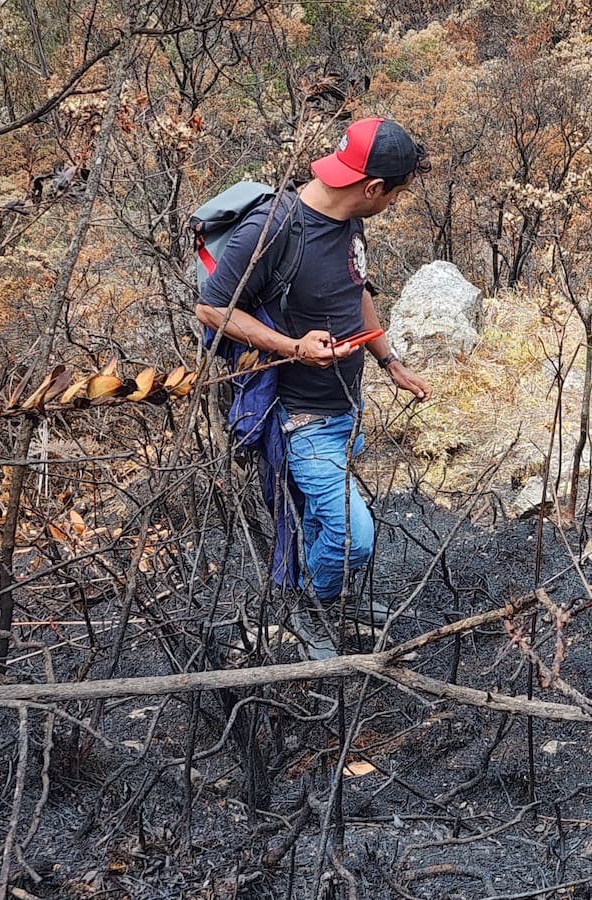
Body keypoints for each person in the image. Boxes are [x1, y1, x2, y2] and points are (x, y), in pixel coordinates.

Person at [195, 117, 431, 658]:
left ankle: (328, 597)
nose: (394, 203)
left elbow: (357, 288)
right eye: (396, 194)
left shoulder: (349, 218)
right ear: (374, 188)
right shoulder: (275, 227)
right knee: (354, 535)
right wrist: (292, 346)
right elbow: (211, 306)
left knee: (325, 520)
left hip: (345, 407)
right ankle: (312, 607)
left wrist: (389, 360)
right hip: (302, 419)